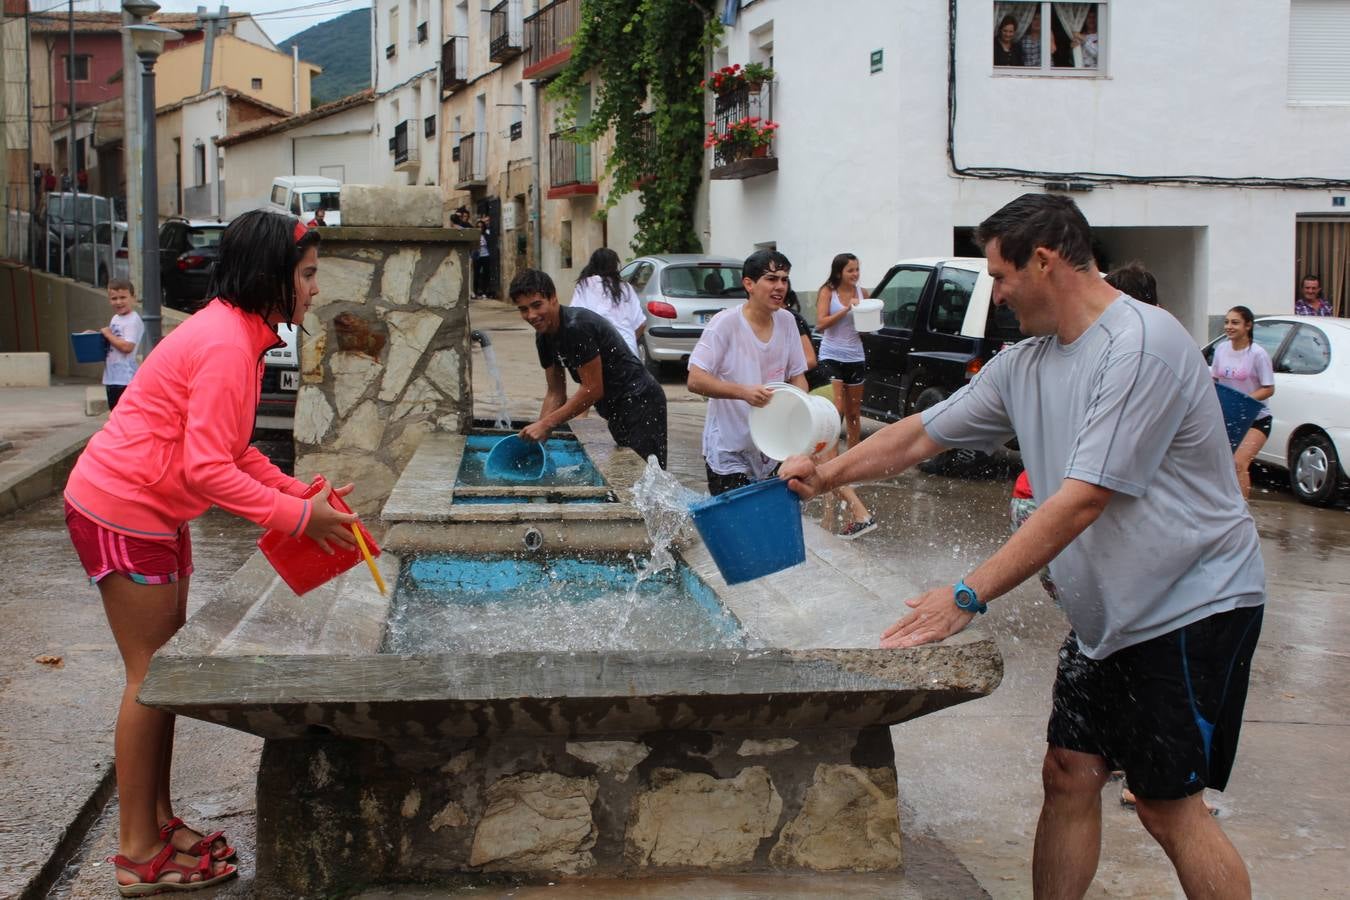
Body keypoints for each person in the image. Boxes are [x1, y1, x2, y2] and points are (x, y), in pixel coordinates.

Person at [781, 194, 1264, 900]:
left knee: (1167, 808)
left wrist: (968, 593)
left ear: (1044, 261)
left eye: (1001, 277)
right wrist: (826, 473)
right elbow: (921, 433)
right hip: (1111, 618)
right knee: (1068, 772)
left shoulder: (1141, 346)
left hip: (1191, 604)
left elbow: (1083, 498)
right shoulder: (1028, 361)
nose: (997, 295)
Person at [63, 210, 359, 895]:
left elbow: (231, 451)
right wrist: (296, 518)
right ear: (272, 276)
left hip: (149, 512)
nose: (315, 289)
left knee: (162, 676)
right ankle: (138, 853)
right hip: (123, 509)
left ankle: (158, 821)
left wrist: (297, 492)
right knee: (150, 678)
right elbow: (206, 470)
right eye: (308, 274)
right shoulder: (229, 343)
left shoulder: (239, 334)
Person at [513, 268, 668, 468]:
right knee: (631, 475)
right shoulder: (543, 337)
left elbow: (592, 389)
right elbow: (555, 393)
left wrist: (547, 424)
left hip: (641, 400)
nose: (531, 315)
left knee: (647, 476)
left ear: (553, 298)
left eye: (536, 305)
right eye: (523, 309)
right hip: (614, 407)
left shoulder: (576, 327)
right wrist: (536, 440)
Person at [687, 249, 807, 495]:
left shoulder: (787, 321)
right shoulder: (725, 323)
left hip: (771, 445)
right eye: (771, 279)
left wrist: (799, 410)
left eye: (784, 279)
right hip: (728, 448)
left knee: (767, 521)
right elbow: (695, 380)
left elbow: (798, 378)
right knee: (736, 525)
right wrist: (744, 392)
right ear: (749, 284)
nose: (780, 286)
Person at [785, 282, 874, 538]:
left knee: (822, 463)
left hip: (815, 392)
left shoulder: (790, 320)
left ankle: (861, 514)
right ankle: (828, 523)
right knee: (822, 461)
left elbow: (810, 359)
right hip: (806, 394)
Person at [813, 253, 876, 537]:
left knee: (854, 414)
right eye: (851, 270)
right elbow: (821, 324)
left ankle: (853, 462)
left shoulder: (865, 293)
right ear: (839, 271)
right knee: (835, 409)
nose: (855, 274)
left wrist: (868, 318)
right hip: (831, 355)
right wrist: (846, 310)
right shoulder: (828, 291)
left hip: (855, 356)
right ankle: (833, 461)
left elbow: (867, 328)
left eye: (858, 269)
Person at [1211, 305, 1275, 500]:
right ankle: (1226, 508)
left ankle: (1243, 512)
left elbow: (1269, 388)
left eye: (1235, 322)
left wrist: (1245, 400)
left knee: (1239, 463)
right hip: (1229, 417)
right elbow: (1214, 380)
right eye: (1227, 322)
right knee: (1222, 466)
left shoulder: (1258, 354)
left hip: (1256, 419)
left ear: (1248, 326)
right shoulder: (1221, 349)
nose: (1229, 326)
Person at [569, 248, 646, 357]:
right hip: (628, 353)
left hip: (599, 355)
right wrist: (627, 341)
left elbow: (574, 319)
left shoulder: (585, 285)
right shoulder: (626, 288)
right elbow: (642, 324)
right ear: (615, 266)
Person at [101, 278, 144, 411]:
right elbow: (113, 339)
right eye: (114, 298)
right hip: (112, 378)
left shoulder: (132, 320)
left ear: (133, 298)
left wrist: (108, 334)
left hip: (125, 379)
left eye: (123, 297)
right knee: (114, 414)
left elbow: (127, 346)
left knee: (122, 416)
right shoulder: (116, 318)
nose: (118, 302)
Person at [472, 216, 493, 298]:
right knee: (476, 275)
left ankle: (485, 292)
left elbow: (490, 244)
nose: (480, 228)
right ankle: (476, 292)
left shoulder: (486, 235)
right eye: (478, 227)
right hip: (477, 256)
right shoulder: (474, 236)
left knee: (486, 274)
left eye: (481, 227)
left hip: (486, 256)